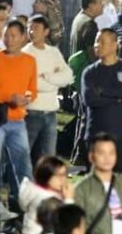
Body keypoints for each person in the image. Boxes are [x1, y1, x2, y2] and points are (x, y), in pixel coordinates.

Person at [0, 20, 38, 233]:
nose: (9, 39)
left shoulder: (29, 61)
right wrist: (9, 98)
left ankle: (31, 217)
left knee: (24, 170)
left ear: (23, 38)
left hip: (18, 120)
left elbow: (32, 89)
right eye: (6, 35)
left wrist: (26, 98)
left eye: (13, 35)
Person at [81, 29, 122, 180]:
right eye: (96, 41)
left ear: (115, 45)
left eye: (102, 41)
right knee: (97, 184)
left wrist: (103, 91)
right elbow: (90, 99)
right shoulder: (89, 73)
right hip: (95, 135)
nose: (97, 45)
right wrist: (117, 99)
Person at [23, 15, 73, 163]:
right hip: (31, 111)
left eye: (36, 28)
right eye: (30, 28)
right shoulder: (26, 53)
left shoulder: (53, 52)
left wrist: (47, 77)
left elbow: (68, 76)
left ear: (46, 31)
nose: (32, 32)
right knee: (25, 156)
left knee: (48, 156)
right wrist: (54, 81)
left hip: (51, 113)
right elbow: (32, 84)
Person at [75, 133, 122, 234]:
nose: (107, 158)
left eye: (111, 153)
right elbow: (76, 224)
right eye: (102, 153)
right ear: (91, 156)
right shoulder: (82, 189)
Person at [18, 156, 74, 234]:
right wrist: (69, 199)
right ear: (46, 175)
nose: (63, 179)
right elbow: (67, 222)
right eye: (59, 176)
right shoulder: (46, 199)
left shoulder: (33, 190)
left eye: (65, 175)